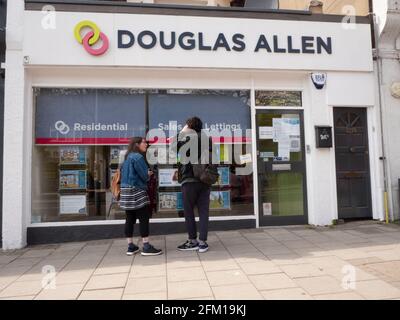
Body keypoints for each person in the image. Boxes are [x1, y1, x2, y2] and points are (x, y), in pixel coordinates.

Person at [120, 137, 163, 256]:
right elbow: (144, 176)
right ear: (137, 144)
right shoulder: (138, 157)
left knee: (129, 218)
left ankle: (130, 246)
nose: (146, 144)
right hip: (136, 190)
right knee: (144, 218)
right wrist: (148, 174)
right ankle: (146, 246)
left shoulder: (127, 157)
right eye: (144, 142)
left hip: (125, 191)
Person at [176, 117, 212, 253]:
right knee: (204, 212)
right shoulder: (207, 139)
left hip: (189, 180)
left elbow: (173, 147)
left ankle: (192, 241)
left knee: (189, 211)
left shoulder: (187, 139)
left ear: (189, 126)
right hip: (205, 179)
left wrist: (184, 131)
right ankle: (203, 243)